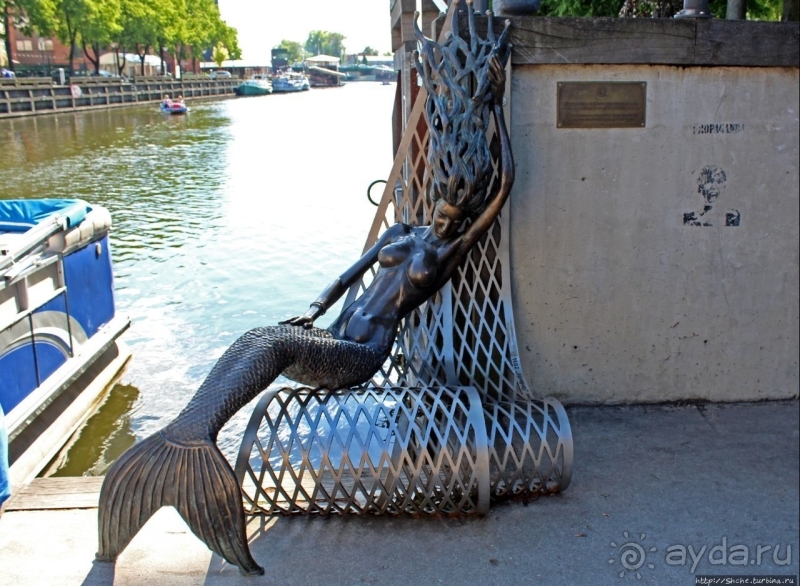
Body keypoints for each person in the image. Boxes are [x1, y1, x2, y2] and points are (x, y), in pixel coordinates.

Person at [98, 14, 512, 577]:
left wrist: (496, 103)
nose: (446, 215)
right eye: (443, 205)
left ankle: (192, 436)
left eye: (456, 211)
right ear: (437, 198)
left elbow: (505, 185)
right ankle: (190, 434)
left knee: (270, 345)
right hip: (333, 334)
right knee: (261, 335)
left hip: (362, 356)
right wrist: (315, 310)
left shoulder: (445, 253)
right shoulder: (402, 233)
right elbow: (349, 274)